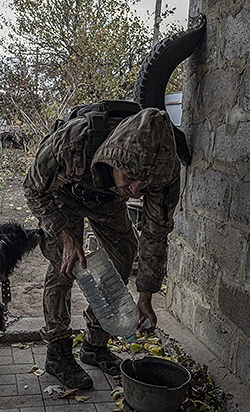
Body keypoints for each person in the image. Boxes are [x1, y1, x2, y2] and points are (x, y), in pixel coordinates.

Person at [23, 107, 181, 389]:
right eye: (130, 177)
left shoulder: (162, 171)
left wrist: (146, 294)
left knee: (123, 256)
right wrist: (67, 237)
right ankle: (57, 352)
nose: (135, 189)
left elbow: (155, 235)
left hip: (108, 201)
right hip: (63, 196)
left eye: (144, 184)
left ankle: (95, 345)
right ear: (115, 158)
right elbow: (34, 188)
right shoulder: (74, 142)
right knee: (65, 266)